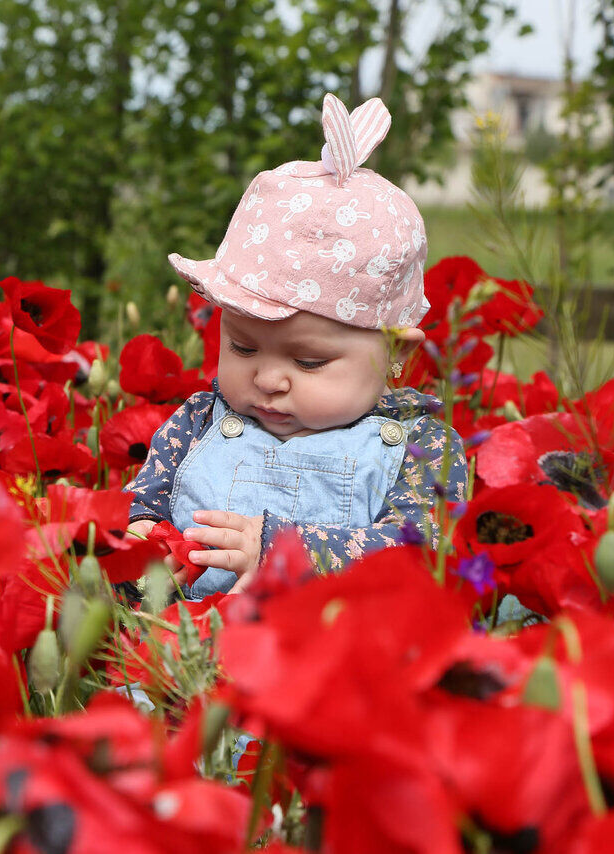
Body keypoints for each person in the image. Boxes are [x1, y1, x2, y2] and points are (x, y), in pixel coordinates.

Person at [125, 94, 468, 598]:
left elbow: (425, 551)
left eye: (309, 361)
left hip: (330, 662)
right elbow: (142, 506)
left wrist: (283, 550)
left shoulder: (424, 449)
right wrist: (142, 541)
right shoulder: (196, 421)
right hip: (181, 658)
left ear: (398, 353)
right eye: (243, 348)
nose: (268, 379)